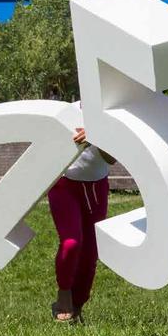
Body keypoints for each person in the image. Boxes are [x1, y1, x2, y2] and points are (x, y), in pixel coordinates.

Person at [48, 126, 114, 323]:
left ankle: (77, 305)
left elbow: (111, 159)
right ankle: (64, 294)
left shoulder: (110, 115)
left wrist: (96, 135)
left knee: (91, 253)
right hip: (63, 184)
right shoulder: (68, 112)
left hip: (96, 187)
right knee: (71, 242)